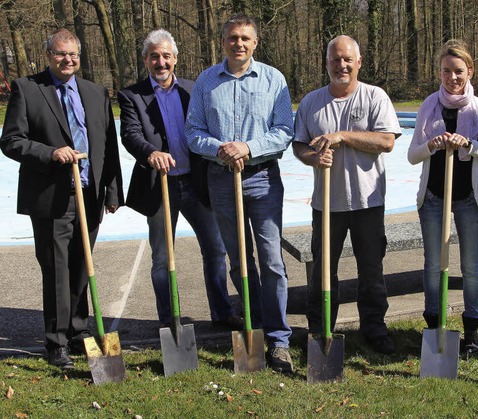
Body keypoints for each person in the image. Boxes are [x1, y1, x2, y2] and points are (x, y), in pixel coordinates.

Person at [0, 28, 124, 369]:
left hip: (90, 194)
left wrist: (112, 192)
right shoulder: (28, 89)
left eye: (73, 55)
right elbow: (11, 140)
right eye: (60, 54)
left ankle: (78, 332)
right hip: (52, 197)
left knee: (81, 268)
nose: (67, 60)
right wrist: (51, 153)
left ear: (79, 57)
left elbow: (107, 146)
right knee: (56, 270)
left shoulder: (95, 92)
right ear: (48, 56)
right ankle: (56, 343)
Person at [186, 14, 294, 373]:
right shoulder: (206, 82)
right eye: (233, 38)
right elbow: (193, 131)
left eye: (246, 38)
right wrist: (221, 148)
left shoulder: (273, 80)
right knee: (240, 262)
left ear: (255, 42)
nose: (239, 44)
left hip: (262, 179)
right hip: (221, 179)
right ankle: (254, 327)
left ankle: (279, 340)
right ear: (223, 42)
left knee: (272, 262)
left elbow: (283, 131)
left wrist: (247, 147)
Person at [117, 29, 242, 331]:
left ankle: (222, 312)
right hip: (160, 186)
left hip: (198, 183)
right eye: (154, 56)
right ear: (146, 59)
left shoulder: (193, 89)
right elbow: (131, 134)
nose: (161, 62)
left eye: (166, 56)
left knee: (215, 250)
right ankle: (169, 319)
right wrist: (151, 153)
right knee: (162, 257)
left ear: (175, 58)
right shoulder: (132, 96)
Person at [292, 35, 401, 354]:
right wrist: (311, 157)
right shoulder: (311, 102)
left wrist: (342, 136)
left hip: (368, 202)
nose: (342, 65)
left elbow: (386, 142)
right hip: (327, 205)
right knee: (324, 271)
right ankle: (321, 329)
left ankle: (374, 328)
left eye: (347, 59)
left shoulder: (374, 97)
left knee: (371, 269)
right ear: (327, 63)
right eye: (335, 59)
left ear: (359, 62)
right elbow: (299, 145)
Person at [407, 40, 478, 354]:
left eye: (458, 70)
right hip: (433, 197)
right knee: (433, 264)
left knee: (471, 265)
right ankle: (433, 325)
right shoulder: (429, 105)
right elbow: (412, 155)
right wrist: (431, 145)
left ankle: (471, 329)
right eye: (446, 70)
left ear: (469, 71)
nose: (452, 77)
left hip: (469, 198)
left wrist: (469, 145)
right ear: (440, 72)